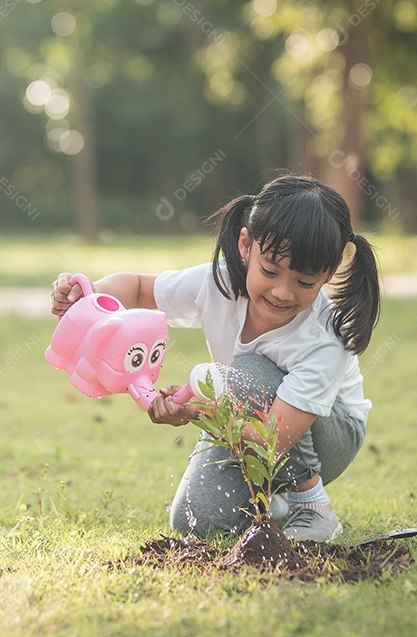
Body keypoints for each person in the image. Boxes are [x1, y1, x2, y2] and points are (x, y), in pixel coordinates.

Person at [50, 175, 380, 542]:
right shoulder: (219, 284)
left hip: (327, 437)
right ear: (245, 245)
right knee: (197, 521)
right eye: (269, 271)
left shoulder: (324, 338)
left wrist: (195, 411)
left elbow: (272, 440)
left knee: (246, 372)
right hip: (245, 409)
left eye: (304, 282)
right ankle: (273, 499)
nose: (283, 292)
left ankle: (312, 505)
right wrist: (90, 297)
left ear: (328, 275)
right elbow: (140, 288)